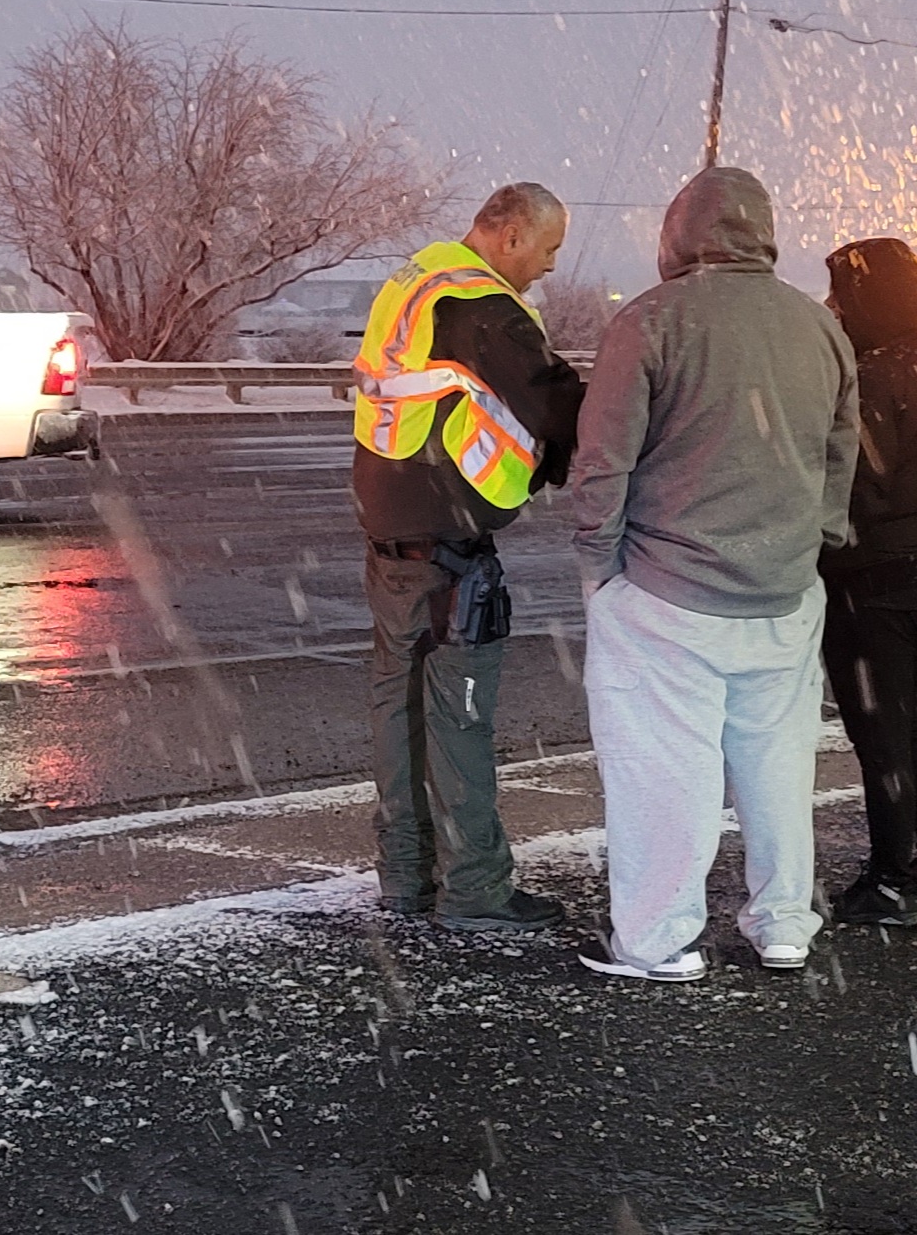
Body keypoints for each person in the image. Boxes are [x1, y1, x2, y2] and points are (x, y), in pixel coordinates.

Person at [571, 167, 857, 982]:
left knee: (665, 771)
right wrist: (815, 536)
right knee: (778, 767)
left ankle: (657, 941)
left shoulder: (653, 322)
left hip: (666, 592)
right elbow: (841, 451)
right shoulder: (817, 326)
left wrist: (599, 563)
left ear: (677, 235)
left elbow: (604, 460)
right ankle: (783, 924)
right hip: (786, 593)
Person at [351, 182, 585, 930]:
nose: (548, 268)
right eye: (547, 250)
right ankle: (476, 890)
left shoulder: (416, 282)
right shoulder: (483, 308)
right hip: (449, 541)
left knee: (400, 705)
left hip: (391, 526)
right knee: (461, 715)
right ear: (511, 235)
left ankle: (406, 876)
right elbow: (557, 406)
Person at [820, 236, 917, 927]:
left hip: (872, 578)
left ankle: (890, 878)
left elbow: (856, 484)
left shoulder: (872, 375)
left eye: (841, 292)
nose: (831, 306)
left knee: (881, 732)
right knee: (913, 724)